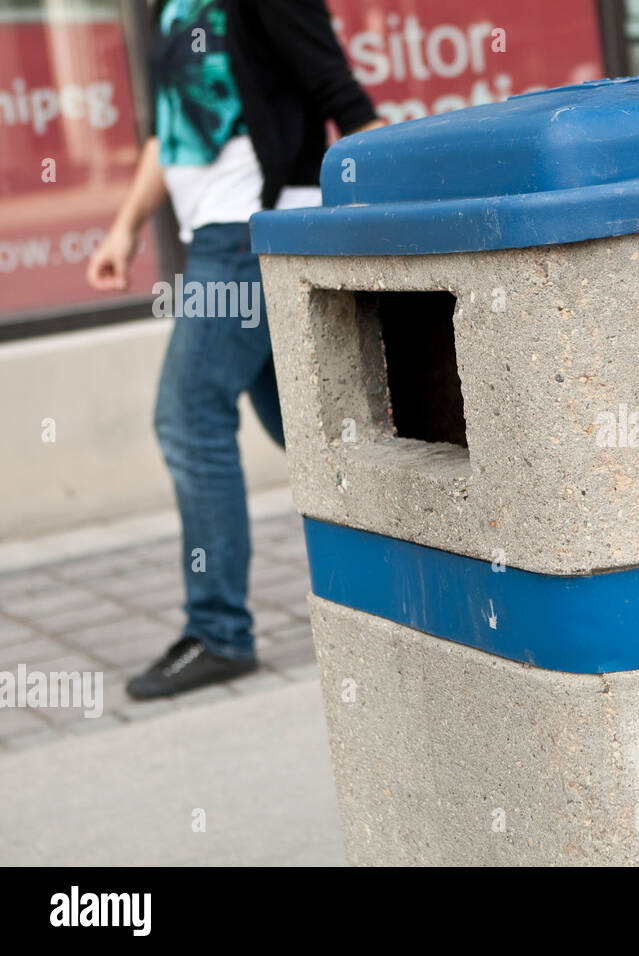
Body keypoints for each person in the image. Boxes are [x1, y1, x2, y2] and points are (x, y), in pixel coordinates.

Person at [85, 0, 380, 698]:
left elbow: (342, 95)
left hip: (254, 232)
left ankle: (218, 631)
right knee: (310, 429)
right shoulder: (167, 8)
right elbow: (170, 131)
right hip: (216, 236)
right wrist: (125, 228)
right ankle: (412, 569)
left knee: (189, 415)